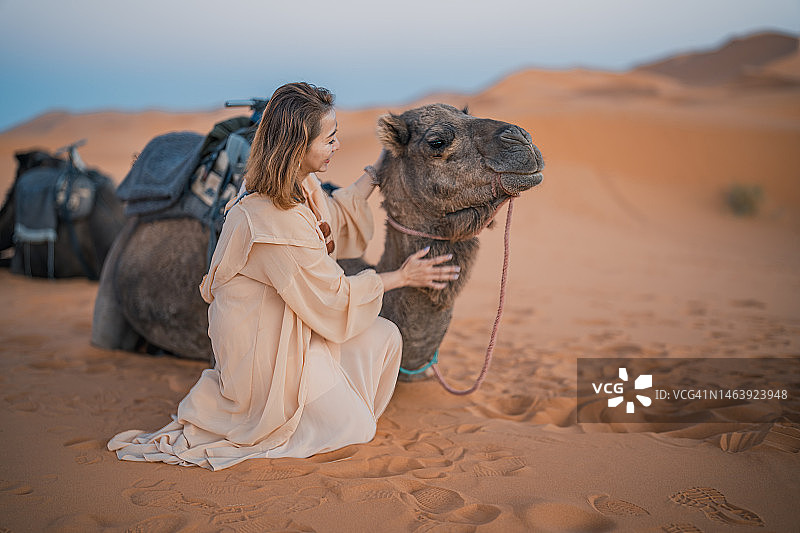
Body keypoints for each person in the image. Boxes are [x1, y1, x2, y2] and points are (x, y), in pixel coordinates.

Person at [108, 82, 460, 470]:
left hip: (292, 333)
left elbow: (333, 221)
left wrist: (375, 175)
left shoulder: (303, 187)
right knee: (358, 426)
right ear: (297, 146)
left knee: (384, 336)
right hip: (264, 356)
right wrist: (403, 277)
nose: (336, 146)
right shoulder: (271, 218)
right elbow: (333, 298)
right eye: (329, 140)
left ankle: (328, 409)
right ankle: (299, 417)